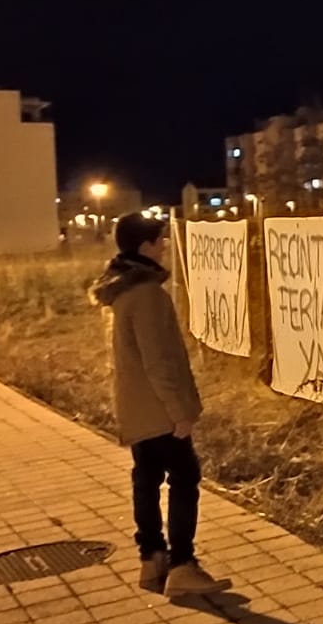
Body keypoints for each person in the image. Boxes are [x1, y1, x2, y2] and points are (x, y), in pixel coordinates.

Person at [90, 214, 230, 597]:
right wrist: (178, 410)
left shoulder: (120, 292)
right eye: (159, 240)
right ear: (145, 247)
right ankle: (183, 565)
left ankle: (152, 559)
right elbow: (158, 360)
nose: (165, 245)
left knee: (146, 478)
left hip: (136, 406)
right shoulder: (148, 294)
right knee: (185, 477)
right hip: (158, 409)